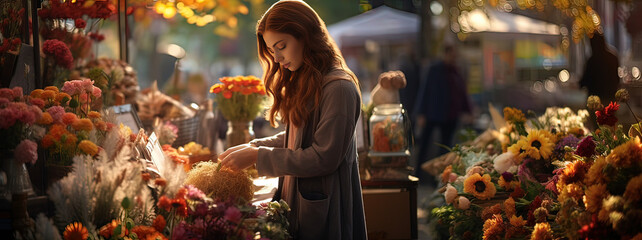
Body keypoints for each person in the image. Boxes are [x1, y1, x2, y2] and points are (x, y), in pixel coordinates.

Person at [219, 1, 367, 239]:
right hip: (300, 204)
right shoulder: (309, 80)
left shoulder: (339, 88)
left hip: (328, 212)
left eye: (281, 46)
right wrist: (255, 146)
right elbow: (298, 138)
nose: (276, 58)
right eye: (271, 50)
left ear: (306, 36)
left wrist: (258, 156)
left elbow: (322, 158)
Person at [414, 45, 471, 184]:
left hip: (450, 115)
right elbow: (425, 90)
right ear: (445, 54)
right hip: (433, 112)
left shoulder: (456, 71)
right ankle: (418, 175)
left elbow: (461, 92)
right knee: (425, 145)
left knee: (445, 148)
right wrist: (421, 113)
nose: (454, 57)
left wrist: (468, 110)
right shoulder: (434, 69)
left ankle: (439, 178)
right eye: (452, 54)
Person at [579, 33, 620, 105]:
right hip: (610, 97)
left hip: (595, 100)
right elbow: (617, 78)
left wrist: (579, 83)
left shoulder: (592, 60)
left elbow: (585, 80)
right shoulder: (613, 57)